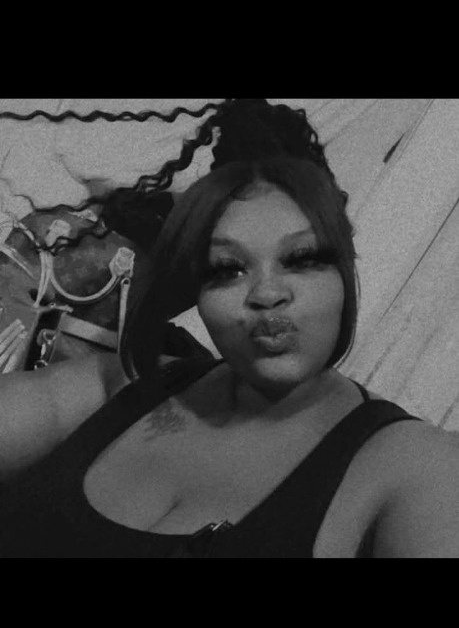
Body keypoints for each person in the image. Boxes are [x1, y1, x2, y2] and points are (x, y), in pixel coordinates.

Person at [1, 98, 458, 557]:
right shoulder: (116, 387)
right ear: (196, 289)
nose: (267, 293)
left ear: (344, 267)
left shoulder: (416, 466)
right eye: (227, 269)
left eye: (301, 259)